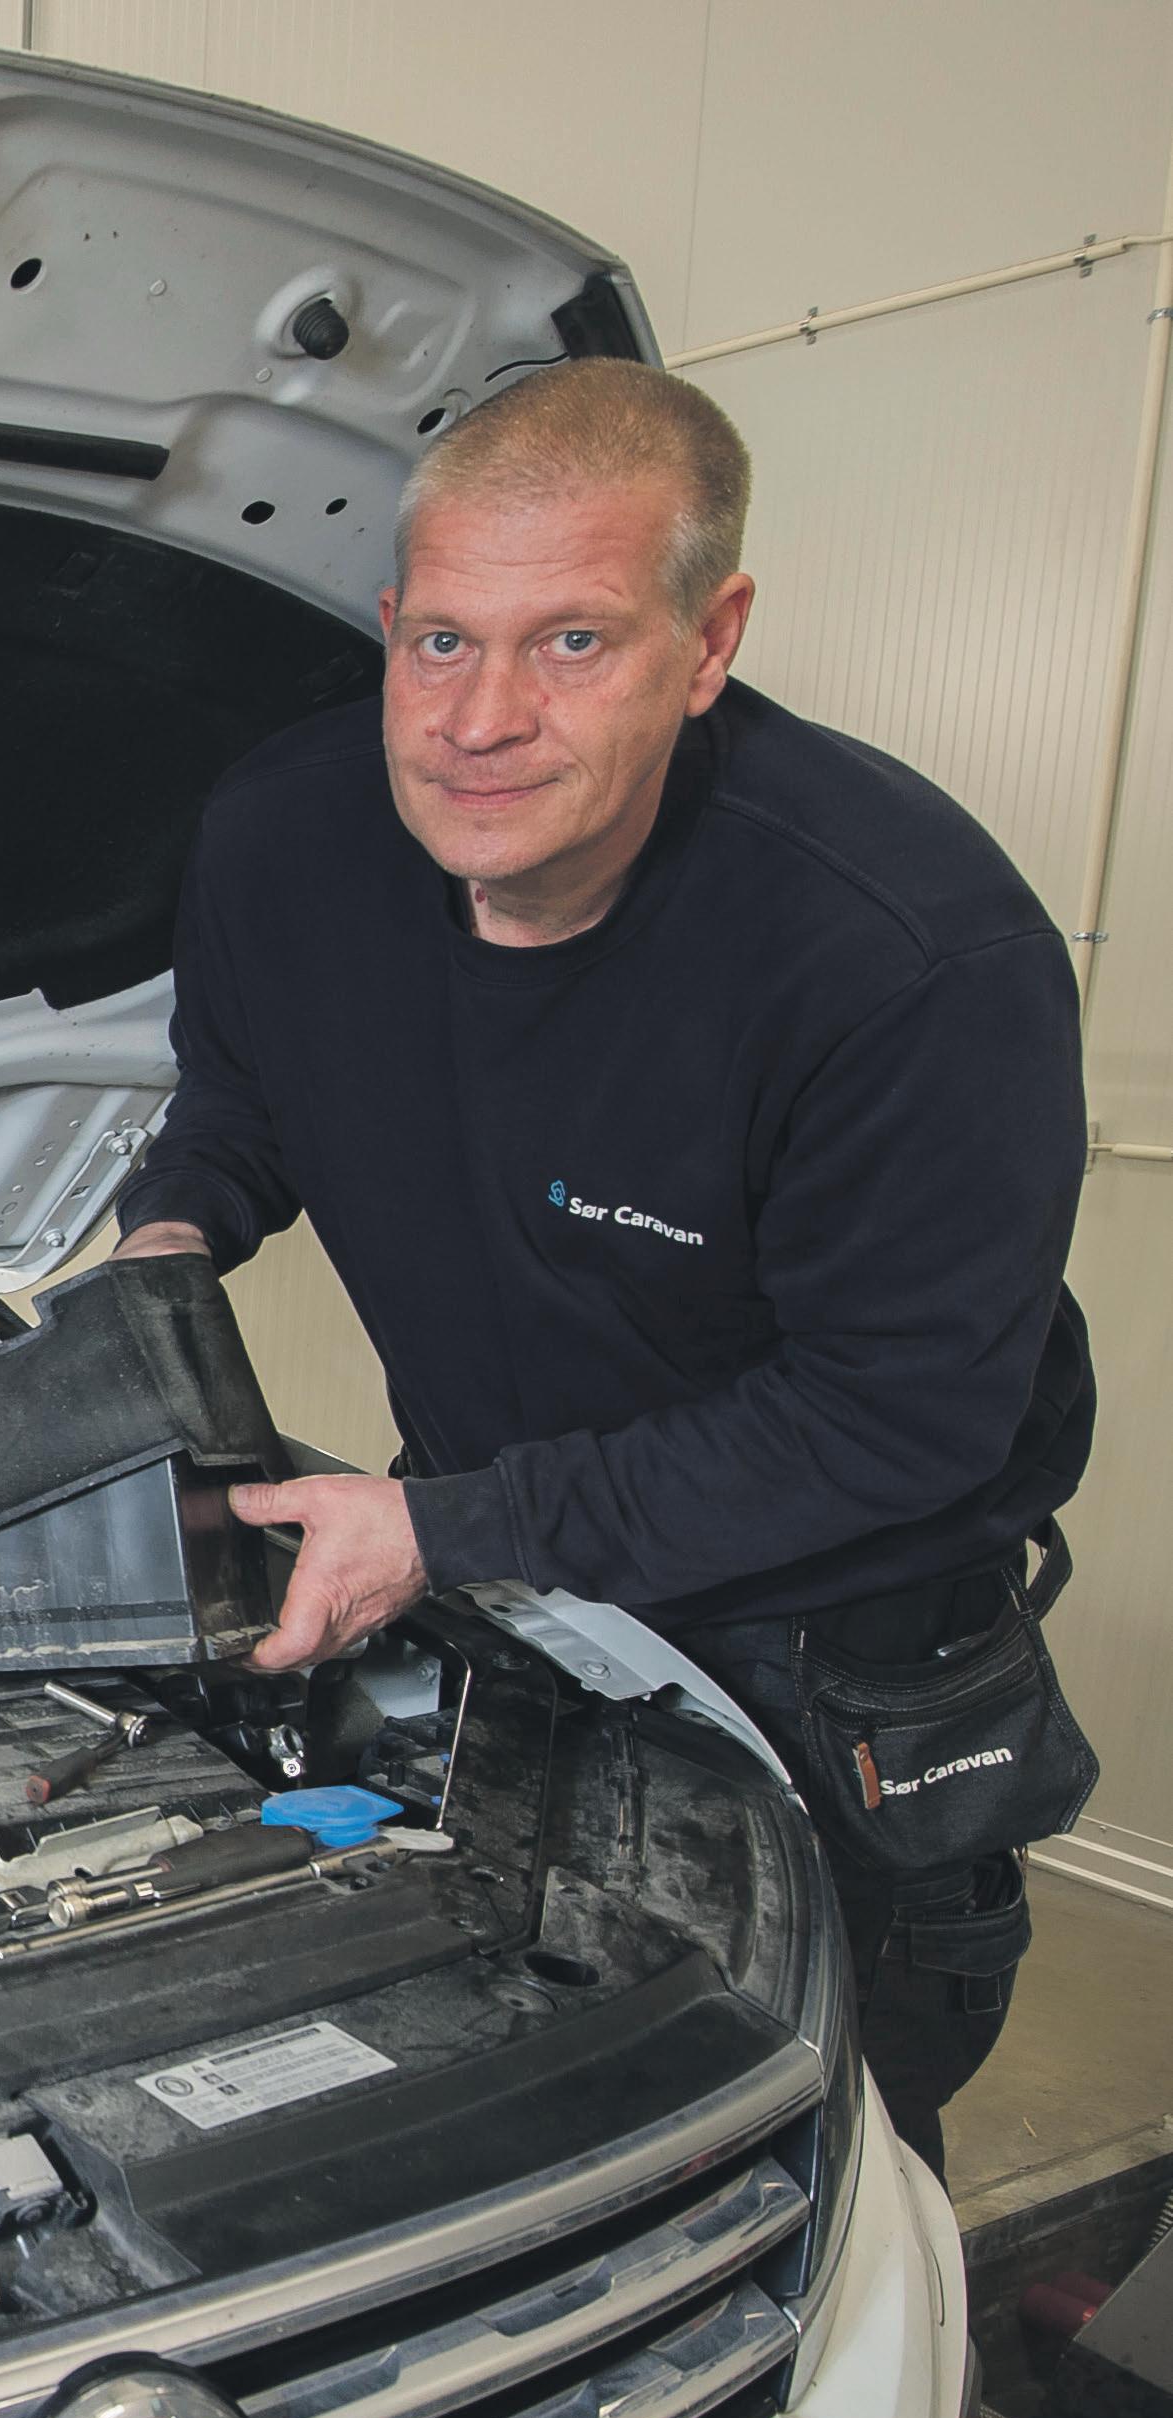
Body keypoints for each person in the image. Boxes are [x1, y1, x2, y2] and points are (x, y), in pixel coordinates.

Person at [112, 357, 1096, 2177]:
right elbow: (242, 1096)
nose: (479, 721)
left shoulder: (903, 958)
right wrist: (166, 1250)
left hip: (823, 1650)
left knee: (795, 2166)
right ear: (390, 628)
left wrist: (442, 1531)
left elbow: (894, 1420)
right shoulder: (286, 835)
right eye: (441, 644)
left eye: (570, 643)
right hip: (504, 1573)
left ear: (707, 644)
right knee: (471, 2106)